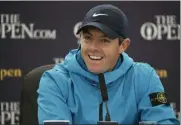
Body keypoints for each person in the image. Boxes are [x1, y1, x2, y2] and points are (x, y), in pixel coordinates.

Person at [37, 4, 179, 124]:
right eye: (87, 38)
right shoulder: (54, 81)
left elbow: (163, 120)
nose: (93, 47)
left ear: (123, 45)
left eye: (104, 40)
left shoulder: (145, 77)